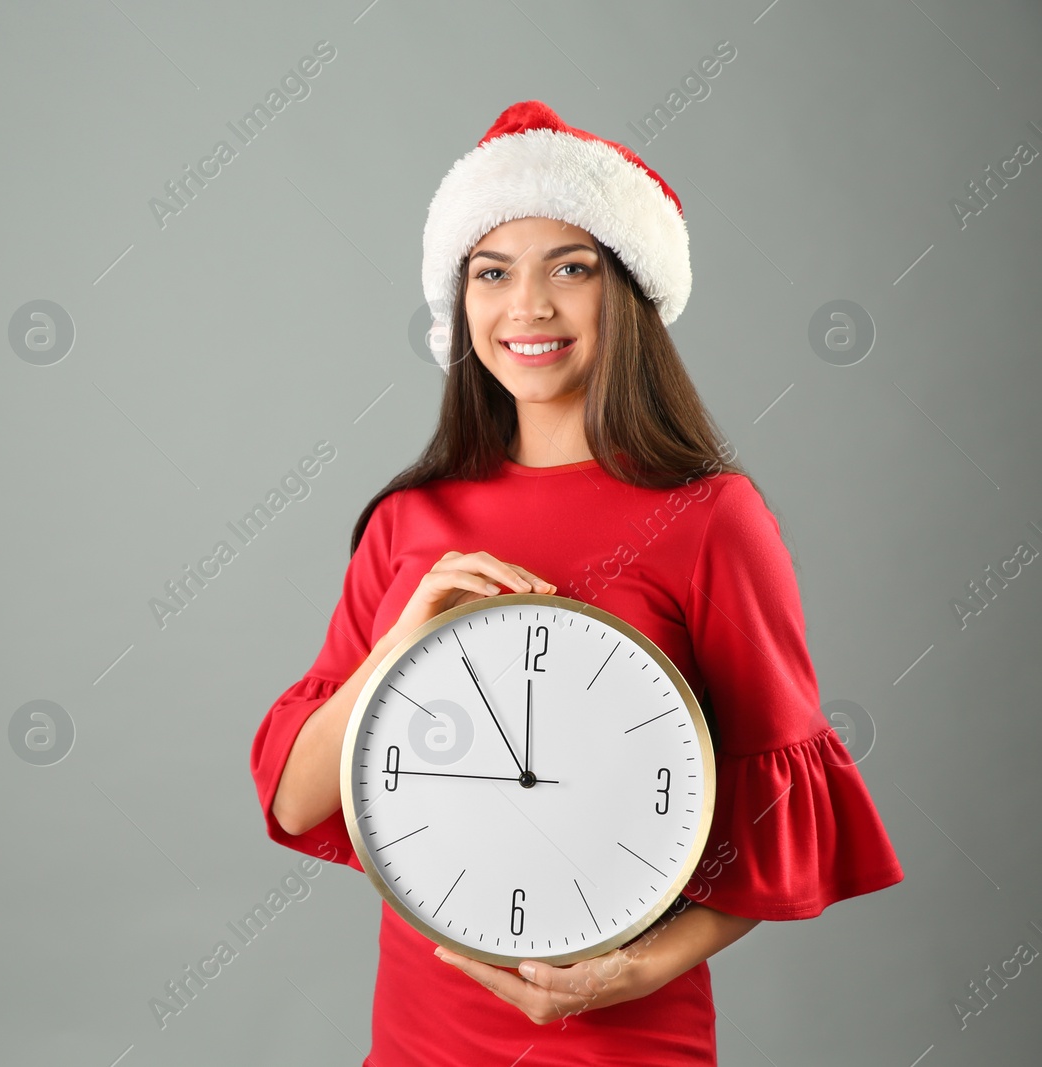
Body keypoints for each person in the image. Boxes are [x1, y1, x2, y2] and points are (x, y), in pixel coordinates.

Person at [248, 100, 904, 1066]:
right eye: (492, 271)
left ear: (628, 292)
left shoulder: (713, 518)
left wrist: (632, 973)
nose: (529, 308)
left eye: (571, 268)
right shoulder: (408, 521)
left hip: (625, 1040)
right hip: (422, 1041)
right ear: (460, 303)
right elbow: (301, 800)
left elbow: (773, 819)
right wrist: (397, 645)